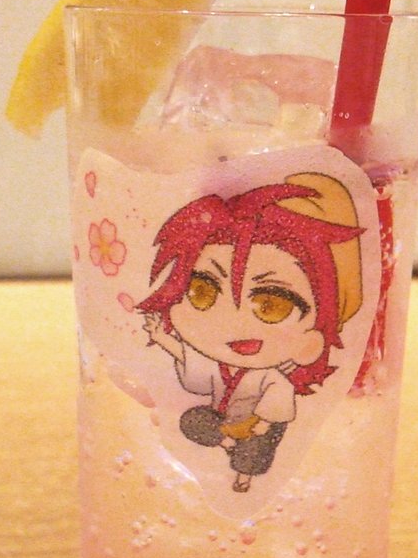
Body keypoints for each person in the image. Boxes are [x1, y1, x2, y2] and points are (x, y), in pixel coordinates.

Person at [139, 173, 364, 492]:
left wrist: (260, 424)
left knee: (258, 448)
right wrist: (162, 337)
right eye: (202, 292)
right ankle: (228, 446)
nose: (234, 323)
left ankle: (244, 475)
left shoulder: (272, 380)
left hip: (261, 425)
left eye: (270, 305)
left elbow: (276, 406)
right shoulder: (219, 367)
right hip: (225, 422)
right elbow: (192, 363)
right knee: (194, 421)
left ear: (310, 342)